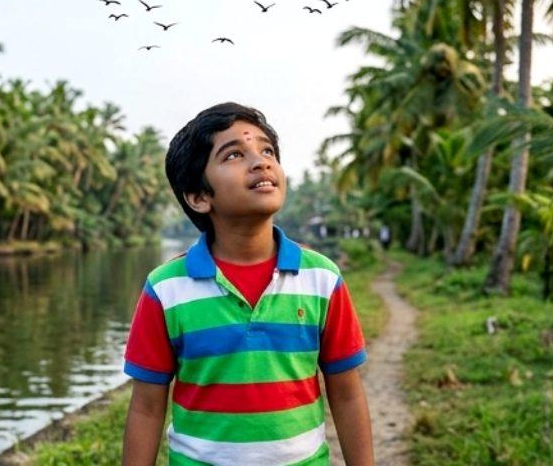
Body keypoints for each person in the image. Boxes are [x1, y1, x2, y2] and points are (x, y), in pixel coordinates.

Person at [121, 103, 373, 465]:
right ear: (199, 196)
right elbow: (146, 408)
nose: (261, 161)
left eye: (267, 150)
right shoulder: (165, 290)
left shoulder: (321, 278)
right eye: (235, 154)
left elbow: (347, 394)